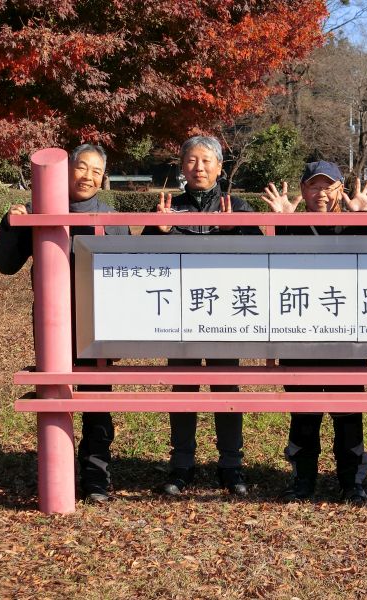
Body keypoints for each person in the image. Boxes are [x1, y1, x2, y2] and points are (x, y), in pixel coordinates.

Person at [0, 143, 130, 504]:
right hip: (53, 326)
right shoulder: (37, 211)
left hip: (100, 326)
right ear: (67, 170)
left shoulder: (112, 219)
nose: (88, 177)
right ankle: (57, 474)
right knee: (55, 398)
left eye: (96, 171)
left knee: (98, 402)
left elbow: (130, 277)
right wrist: (10, 225)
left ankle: (96, 477)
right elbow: (5, 265)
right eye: (81, 167)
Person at [143, 135, 261, 497]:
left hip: (225, 312)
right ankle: (181, 465)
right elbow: (140, 257)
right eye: (192, 160)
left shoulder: (236, 206)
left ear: (220, 167)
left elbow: (262, 252)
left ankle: (231, 466)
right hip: (179, 312)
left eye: (207, 161)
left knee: (226, 386)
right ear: (182, 166)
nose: (199, 168)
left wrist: (234, 229)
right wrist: (157, 230)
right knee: (183, 387)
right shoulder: (169, 208)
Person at [260, 160, 367, 503]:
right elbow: (272, 269)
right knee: (304, 411)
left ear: (341, 190)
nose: (322, 193)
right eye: (314, 186)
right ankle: (302, 480)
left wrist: (361, 218)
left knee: (348, 411)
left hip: (348, 337)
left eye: (329, 186)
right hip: (300, 337)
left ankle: (351, 481)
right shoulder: (290, 227)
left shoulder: (355, 225)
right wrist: (283, 222)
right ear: (303, 190)